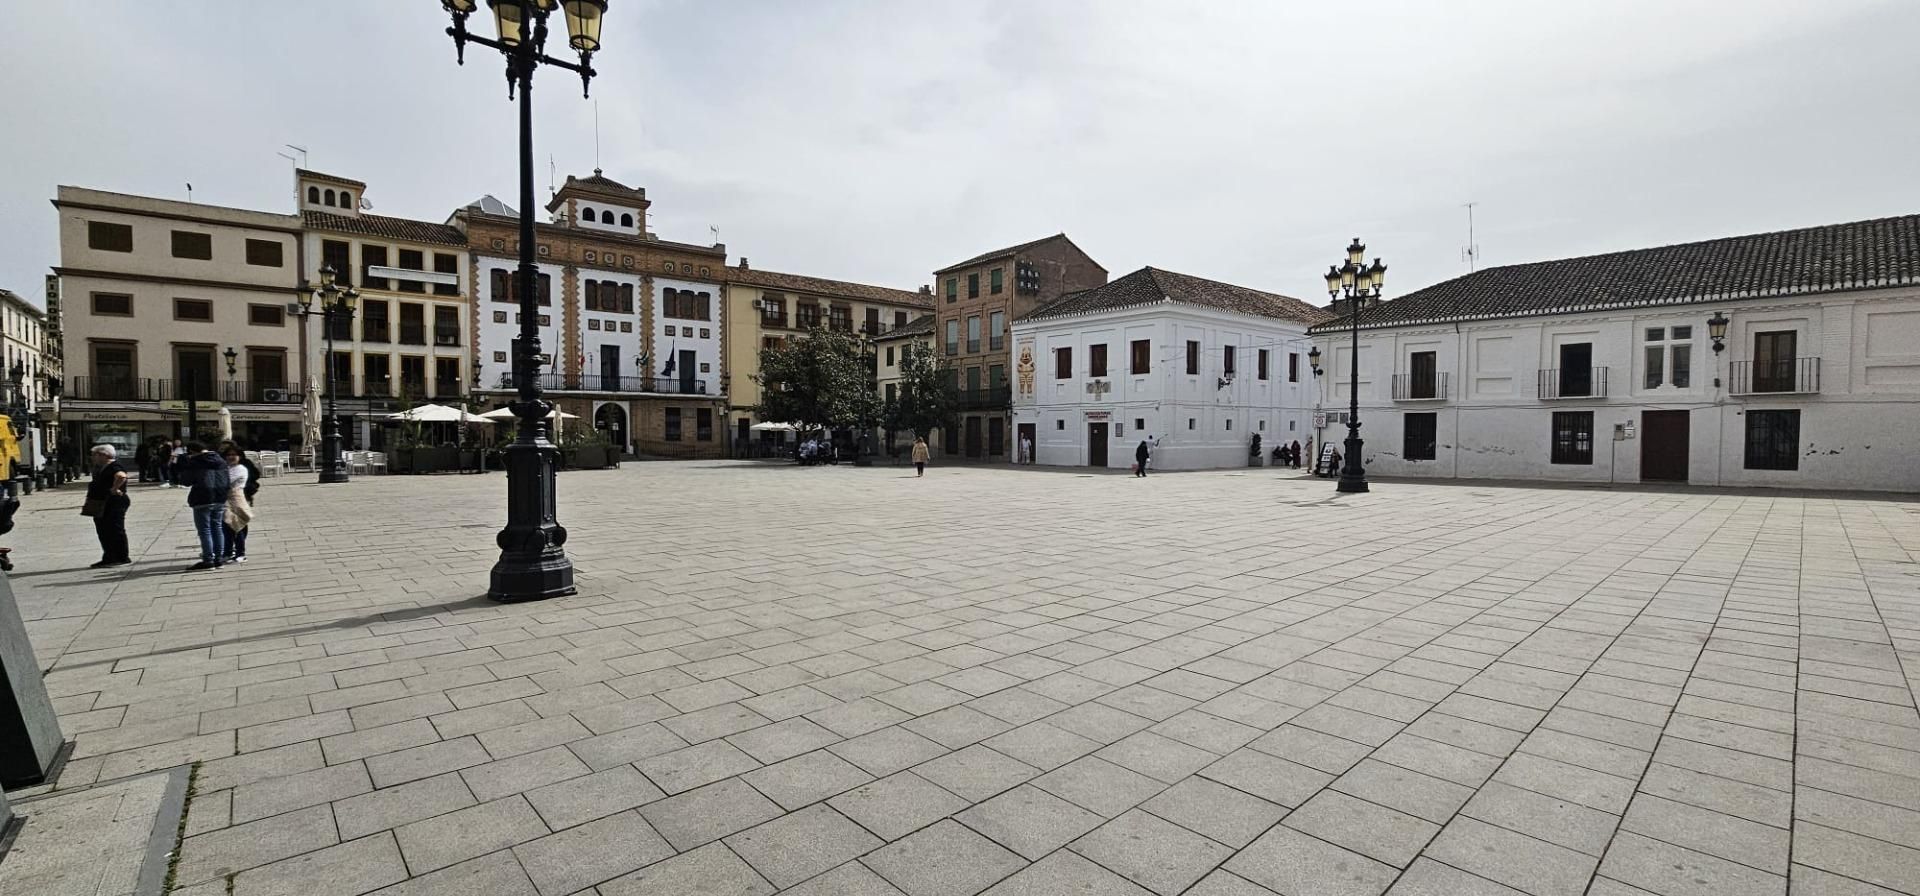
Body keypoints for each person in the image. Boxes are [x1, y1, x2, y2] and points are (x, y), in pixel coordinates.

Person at [180, 442, 231, 570]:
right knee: (217, 528)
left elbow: (185, 481)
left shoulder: (196, 462)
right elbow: (227, 480)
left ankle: (208, 560)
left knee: (205, 530)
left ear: (192, 451)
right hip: (219, 497)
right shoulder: (221, 460)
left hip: (202, 498)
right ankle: (218, 559)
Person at [86, 445, 132, 568]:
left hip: (113, 502)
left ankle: (120, 557)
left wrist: (114, 489)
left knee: (114, 529)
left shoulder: (114, 466)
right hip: (102, 502)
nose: (93, 457)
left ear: (103, 455)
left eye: (95, 454)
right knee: (104, 530)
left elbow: (121, 476)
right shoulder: (102, 467)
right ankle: (110, 556)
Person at [220, 443, 260, 563]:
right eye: (228, 455)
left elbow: (226, 482)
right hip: (225, 500)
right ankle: (227, 552)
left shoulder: (241, 468)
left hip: (237, 499)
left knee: (239, 526)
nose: (231, 457)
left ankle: (240, 553)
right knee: (227, 528)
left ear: (239, 456)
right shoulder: (225, 468)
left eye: (234, 455)